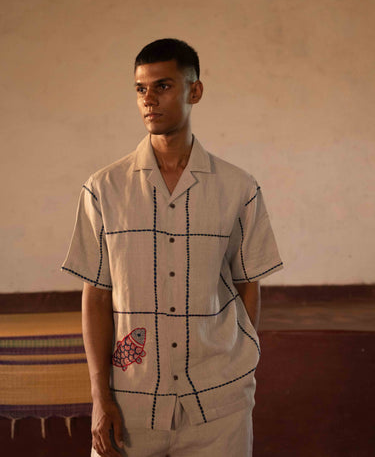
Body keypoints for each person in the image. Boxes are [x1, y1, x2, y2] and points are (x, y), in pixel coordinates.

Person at [62, 38, 283, 457]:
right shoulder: (103, 189)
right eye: (141, 89)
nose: (149, 100)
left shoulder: (239, 189)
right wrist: (99, 397)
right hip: (130, 402)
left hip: (219, 404)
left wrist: (239, 355)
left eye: (162, 86)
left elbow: (247, 284)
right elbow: (96, 295)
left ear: (194, 91)